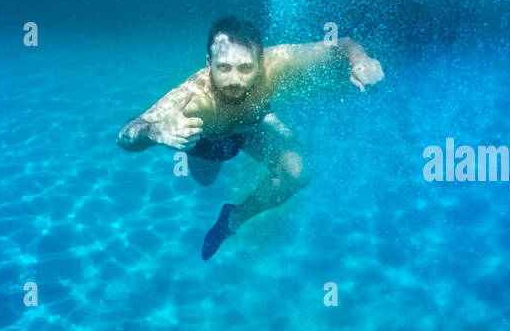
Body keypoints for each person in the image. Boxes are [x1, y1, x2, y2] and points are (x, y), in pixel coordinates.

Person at [116, 17, 384, 259]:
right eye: (224, 68)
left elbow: (344, 44)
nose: (235, 80)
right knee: (206, 180)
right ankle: (203, 154)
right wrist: (154, 131)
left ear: (261, 61)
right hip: (209, 139)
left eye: (246, 68)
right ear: (209, 63)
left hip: (254, 123)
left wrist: (361, 60)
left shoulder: (279, 60)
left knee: (298, 173)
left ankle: (232, 219)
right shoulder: (193, 98)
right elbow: (127, 134)